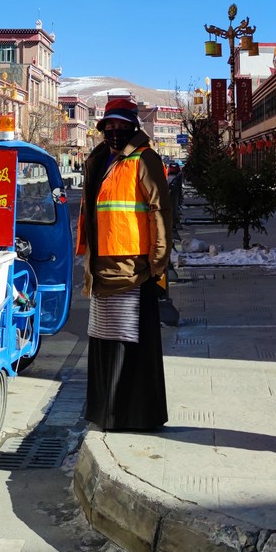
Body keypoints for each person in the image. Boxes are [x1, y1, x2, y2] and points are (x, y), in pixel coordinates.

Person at [76, 97, 173, 431]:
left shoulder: (145, 159)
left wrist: (158, 261)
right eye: (109, 126)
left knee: (131, 344)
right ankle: (108, 413)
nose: (115, 132)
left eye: (121, 126)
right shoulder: (99, 159)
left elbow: (160, 209)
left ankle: (135, 416)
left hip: (134, 267)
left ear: (133, 126)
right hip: (102, 264)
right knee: (105, 342)